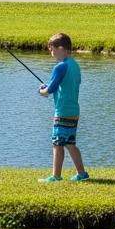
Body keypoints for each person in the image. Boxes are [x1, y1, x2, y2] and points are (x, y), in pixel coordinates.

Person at [38, 32, 89, 183]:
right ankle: (81, 174)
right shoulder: (75, 65)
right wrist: (49, 86)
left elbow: (49, 90)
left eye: (52, 49)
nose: (51, 53)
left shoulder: (60, 67)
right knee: (70, 143)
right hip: (74, 110)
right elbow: (63, 85)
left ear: (61, 48)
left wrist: (41, 90)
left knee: (57, 143)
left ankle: (56, 176)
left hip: (62, 111)